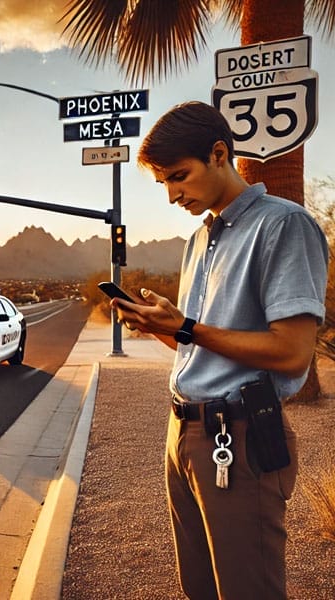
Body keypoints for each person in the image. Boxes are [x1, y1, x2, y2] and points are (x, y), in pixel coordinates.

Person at [111, 101, 328, 599]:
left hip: (239, 434)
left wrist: (187, 325)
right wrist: (160, 326)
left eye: (179, 177)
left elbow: (293, 354)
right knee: (200, 590)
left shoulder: (283, 226)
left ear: (218, 153)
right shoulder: (198, 239)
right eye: (163, 182)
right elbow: (202, 345)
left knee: (247, 591)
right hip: (181, 433)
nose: (171, 195)